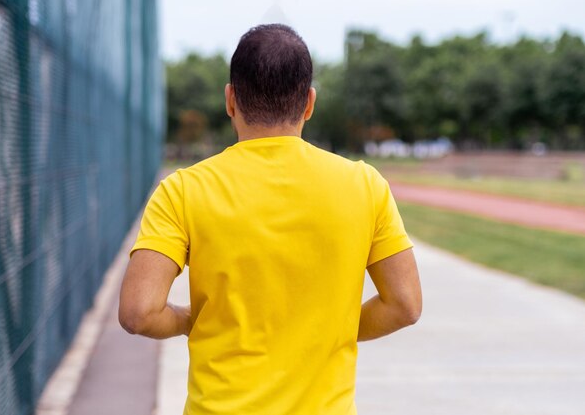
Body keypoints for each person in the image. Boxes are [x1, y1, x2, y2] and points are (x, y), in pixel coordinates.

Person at [119, 24, 422, 415]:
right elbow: (405, 305)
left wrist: (185, 321)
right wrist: (330, 332)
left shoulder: (182, 190)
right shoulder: (365, 186)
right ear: (309, 103)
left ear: (230, 100)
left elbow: (138, 312)